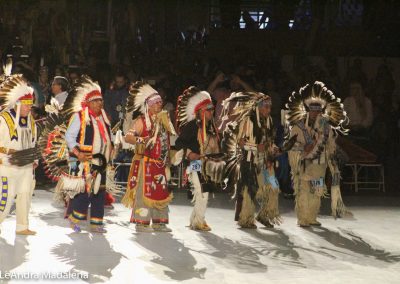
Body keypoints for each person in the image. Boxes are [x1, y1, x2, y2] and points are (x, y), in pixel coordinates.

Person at [285, 81, 350, 227]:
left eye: (318, 111)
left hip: (319, 166)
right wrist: (303, 149)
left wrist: (332, 159)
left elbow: (331, 145)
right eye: (313, 110)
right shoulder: (298, 127)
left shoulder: (326, 128)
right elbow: (291, 145)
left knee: (317, 190)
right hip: (304, 165)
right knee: (303, 190)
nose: (315, 113)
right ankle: (303, 218)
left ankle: (312, 217)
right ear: (308, 111)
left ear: (321, 111)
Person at [221, 92, 282, 229]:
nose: (268, 110)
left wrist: (274, 149)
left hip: (266, 162)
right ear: (258, 107)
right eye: (266, 107)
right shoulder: (248, 120)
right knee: (250, 190)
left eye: (270, 107)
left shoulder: (269, 121)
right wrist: (255, 147)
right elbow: (240, 142)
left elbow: (269, 141)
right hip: (250, 162)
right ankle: (246, 219)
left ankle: (264, 215)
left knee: (273, 187)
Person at [122, 82, 175, 232]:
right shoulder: (141, 121)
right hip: (145, 164)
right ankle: (141, 222)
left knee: (161, 193)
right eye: (156, 103)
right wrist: (142, 140)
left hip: (160, 165)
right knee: (143, 194)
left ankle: (159, 222)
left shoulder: (164, 120)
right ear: (149, 106)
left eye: (160, 102)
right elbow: (128, 137)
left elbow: (166, 142)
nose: (159, 105)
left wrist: (169, 159)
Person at [63, 75, 113, 233]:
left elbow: (108, 138)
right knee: (84, 191)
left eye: (101, 100)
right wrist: (77, 154)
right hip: (84, 160)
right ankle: (74, 220)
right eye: (96, 101)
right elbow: (69, 137)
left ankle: (96, 223)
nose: (100, 103)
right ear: (89, 102)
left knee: (100, 191)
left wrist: (112, 150)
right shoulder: (79, 116)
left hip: (101, 161)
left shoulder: (103, 117)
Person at [175, 86, 224, 231]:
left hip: (206, 164)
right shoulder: (192, 126)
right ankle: (198, 221)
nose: (211, 112)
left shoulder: (211, 127)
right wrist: (190, 154)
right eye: (208, 109)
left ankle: (195, 219)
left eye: (212, 109)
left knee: (203, 191)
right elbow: (179, 143)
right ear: (200, 111)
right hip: (195, 163)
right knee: (201, 190)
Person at [0, 61, 38, 235]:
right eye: (27, 105)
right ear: (17, 104)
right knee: (5, 200)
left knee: (25, 196)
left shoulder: (30, 120)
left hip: (26, 165)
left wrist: (34, 159)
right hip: (6, 166)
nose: (29, 108)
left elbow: (33, 142)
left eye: (31, 105)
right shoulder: (4, 119)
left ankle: (22, 226)